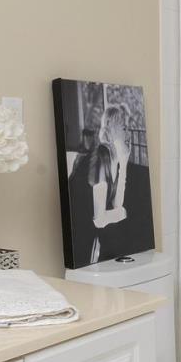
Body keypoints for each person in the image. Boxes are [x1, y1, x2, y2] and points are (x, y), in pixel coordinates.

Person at [67, 102, 152, 265]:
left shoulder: (113, 158)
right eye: (124, 129)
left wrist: (124, 164)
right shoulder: (101, 156)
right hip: (80, 237)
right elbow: (99, 219)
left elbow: (116, 203)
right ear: (112, 128)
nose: (128, 136)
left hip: (91, 234)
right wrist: (124, 213)